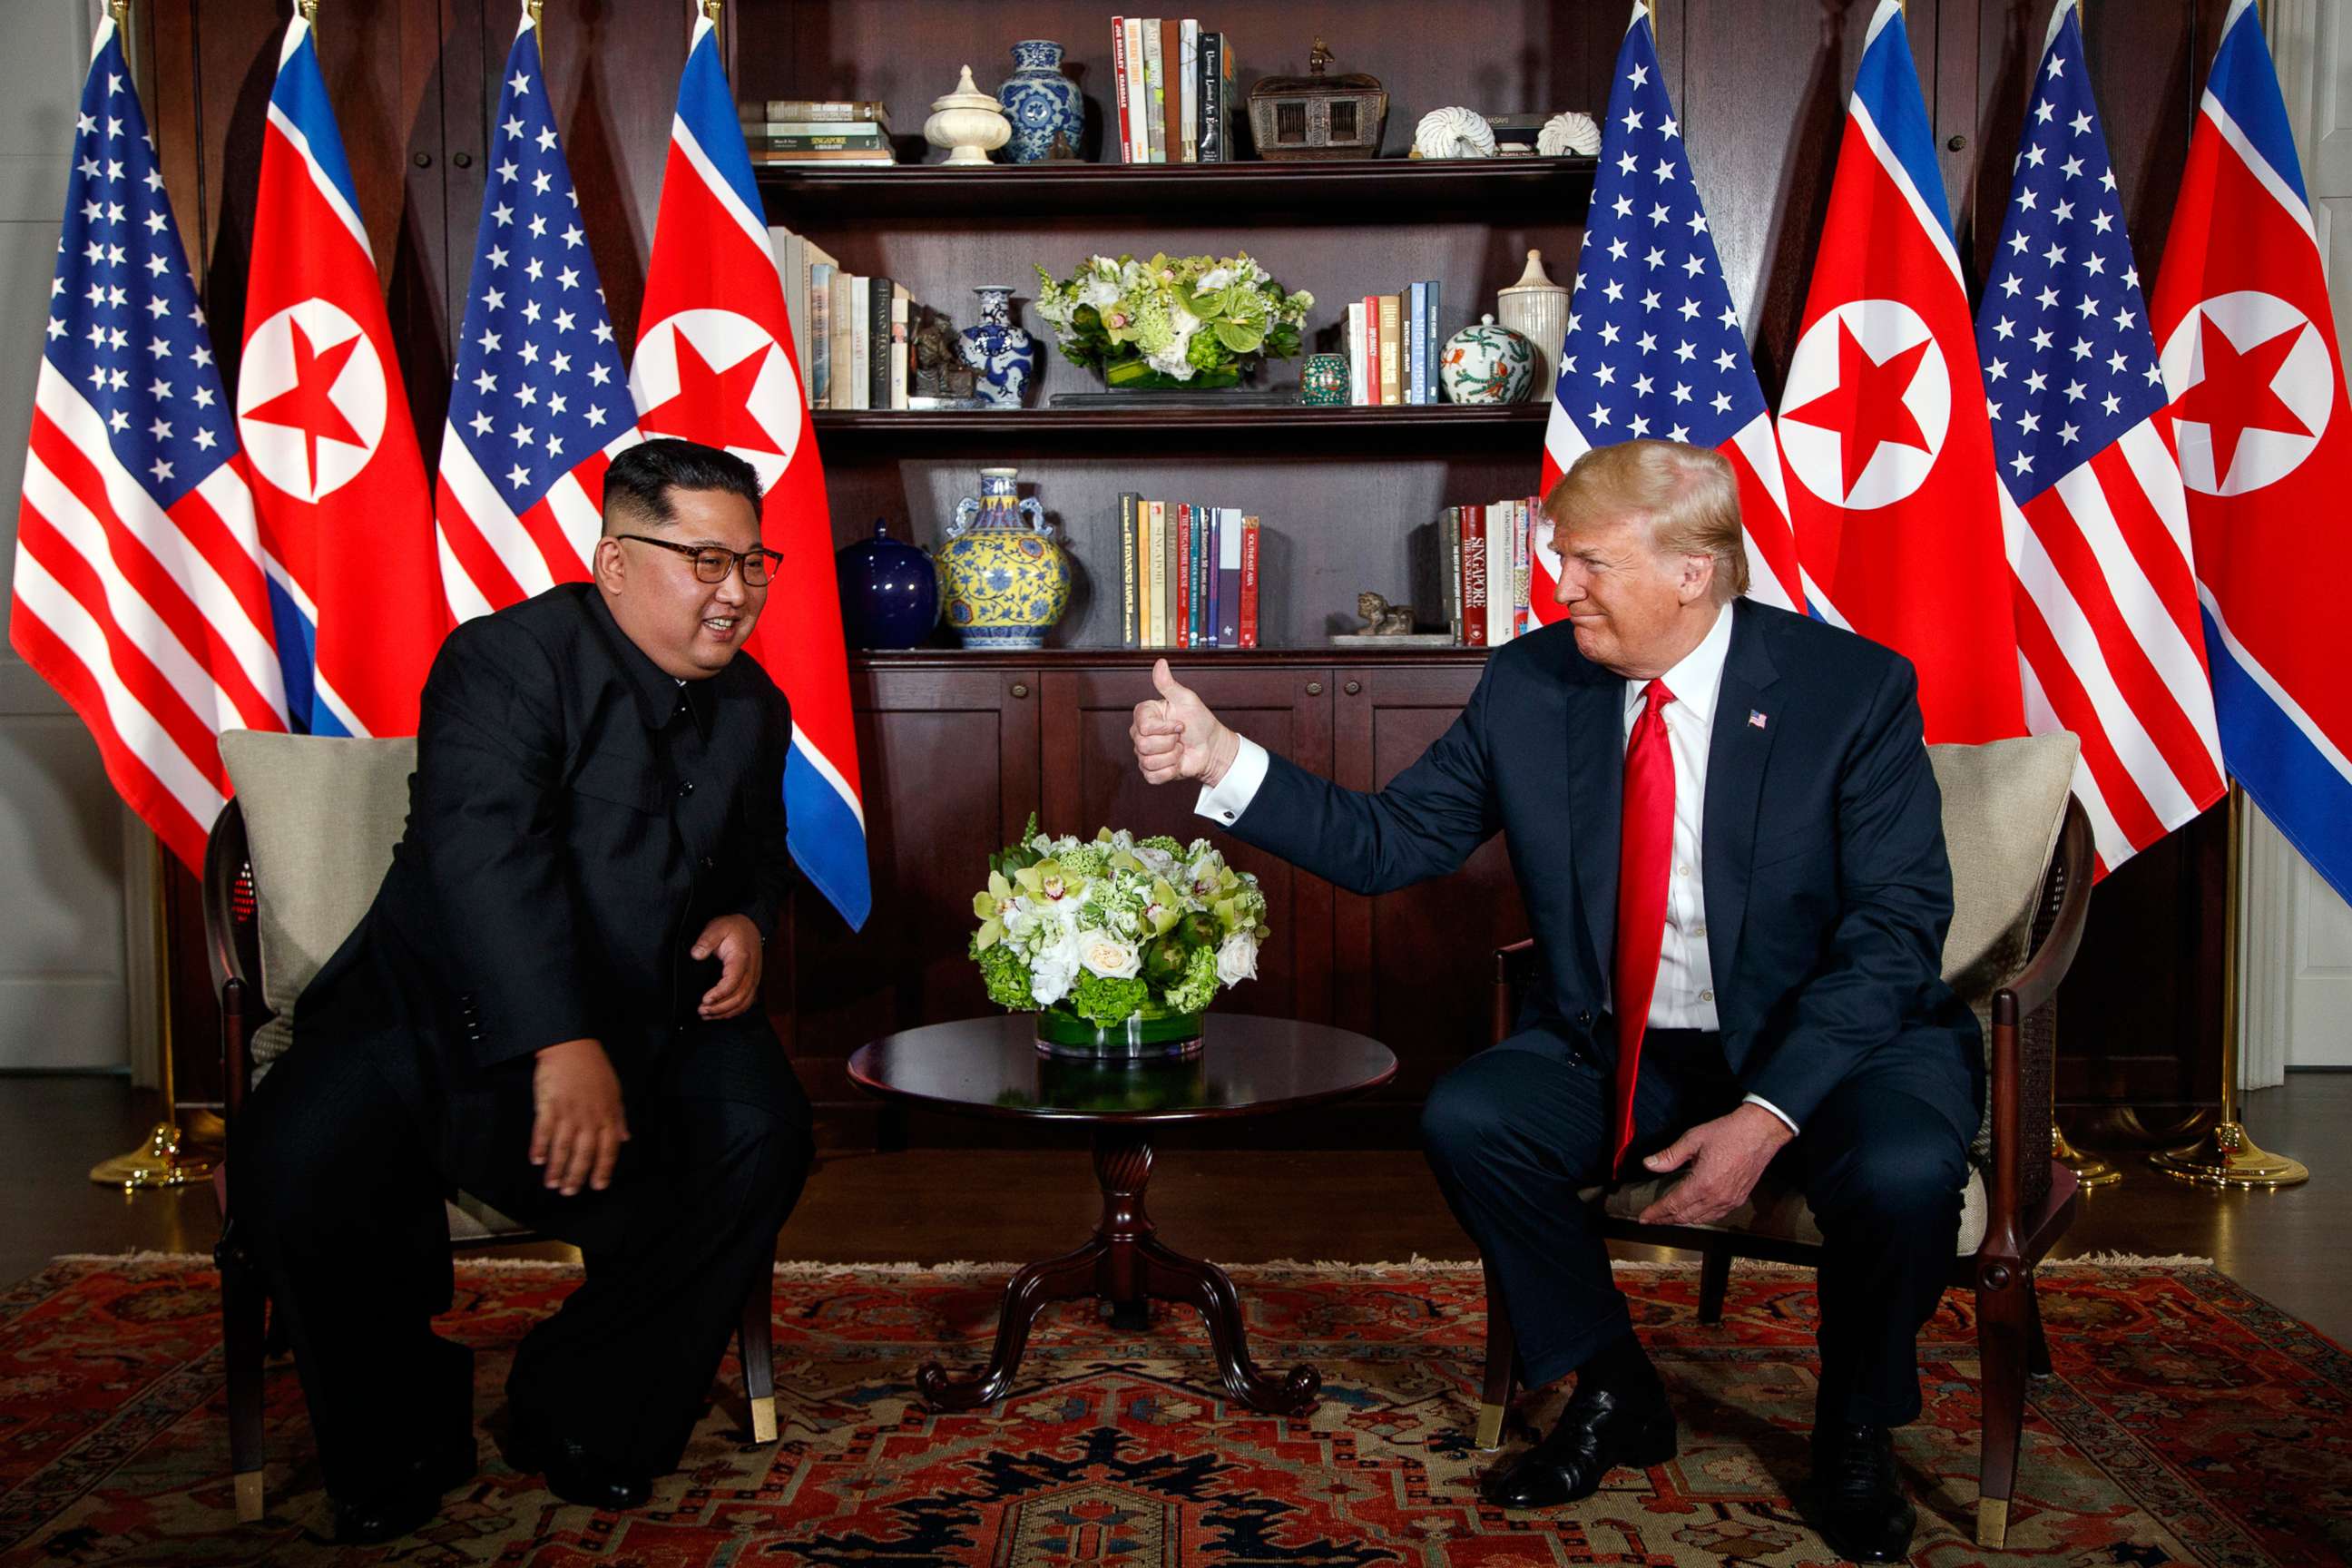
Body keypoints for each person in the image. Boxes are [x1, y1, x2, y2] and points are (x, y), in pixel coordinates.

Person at [1129, 440, 1977, 1562]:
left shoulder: (1849, 689)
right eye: (1558, 558)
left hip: (1839, 1047)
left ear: (1692, 572)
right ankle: (1617, 1386)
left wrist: (1769, 1116)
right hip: (1625, 1044)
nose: (1560, 585)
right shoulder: (1535, 683)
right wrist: (1221, 757)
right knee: (1474, 1119)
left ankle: (1854, 1424)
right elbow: (1393, 843)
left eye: (1588, 562)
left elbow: (1893, 935)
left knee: (1907, 1173)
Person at [231, 438, 815, 1544]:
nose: (735, 592)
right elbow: (481, 861)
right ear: (613, 559)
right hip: (428, 1005)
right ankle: (401, 1431)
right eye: (704, 561)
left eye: (753, 563)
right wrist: (559, 1041)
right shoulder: (503, 661)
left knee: (763, 1132)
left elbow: (757, 855)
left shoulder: (753, 704)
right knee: (296, 1160)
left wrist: (747, 918)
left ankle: (582, 1406)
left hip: (650, 1006)